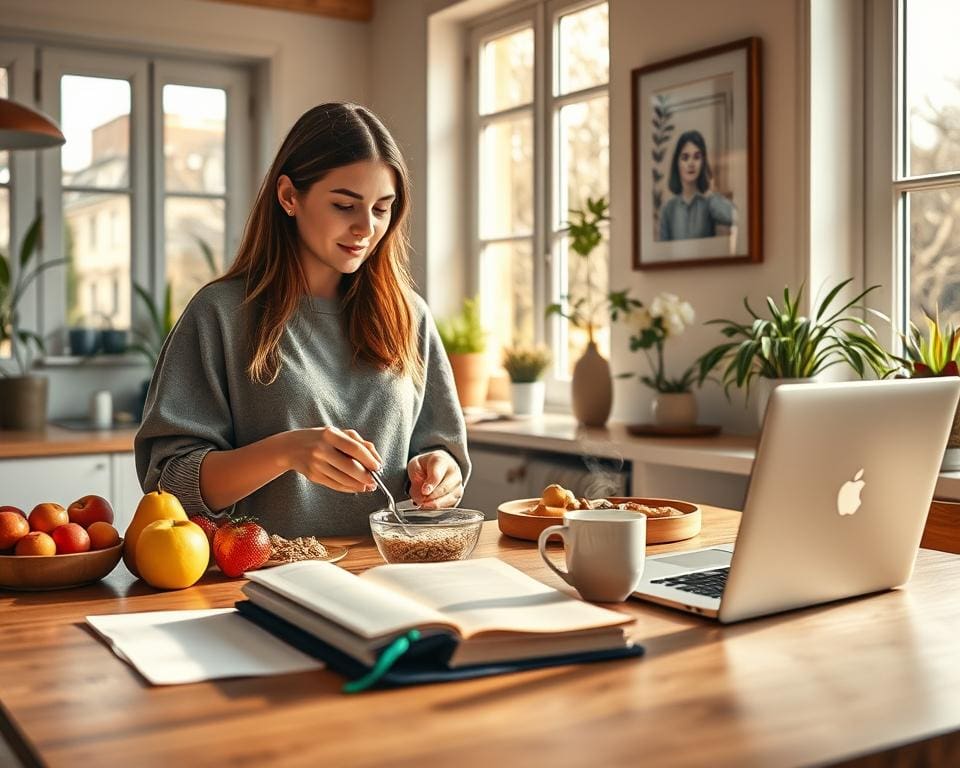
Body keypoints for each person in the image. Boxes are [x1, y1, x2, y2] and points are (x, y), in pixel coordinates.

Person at [135, 103, 470, 537]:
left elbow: (443, 451)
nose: (366, 228)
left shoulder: (409, 315)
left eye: (381, 209)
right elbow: (169, 484)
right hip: (265, 572)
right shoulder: (220, 314)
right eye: (345, 205)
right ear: (289, 196)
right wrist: (286, 452)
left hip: (387, 568)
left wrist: (440, 473)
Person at [658, 129, 736, 242]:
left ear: (703, 162)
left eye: (697, 157)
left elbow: (735, 218)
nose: (691, 163)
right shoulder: (668, 209)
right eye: (685, 158)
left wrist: (709, 193)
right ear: (677, 163)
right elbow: (662, 249)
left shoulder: (709, 202)